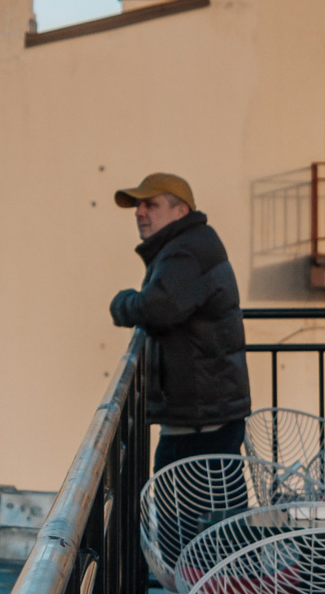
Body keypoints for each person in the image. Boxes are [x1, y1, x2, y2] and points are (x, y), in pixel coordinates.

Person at [107, 172, 250, 468]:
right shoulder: (190, 244)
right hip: (205, 416)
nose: (140, 212)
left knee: (190, 511)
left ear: (181, 210)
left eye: (151, 204)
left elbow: (157, 308)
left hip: (201, 423)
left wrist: (121, 302)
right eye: (138, 206)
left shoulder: (185, 252)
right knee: (214, 510)